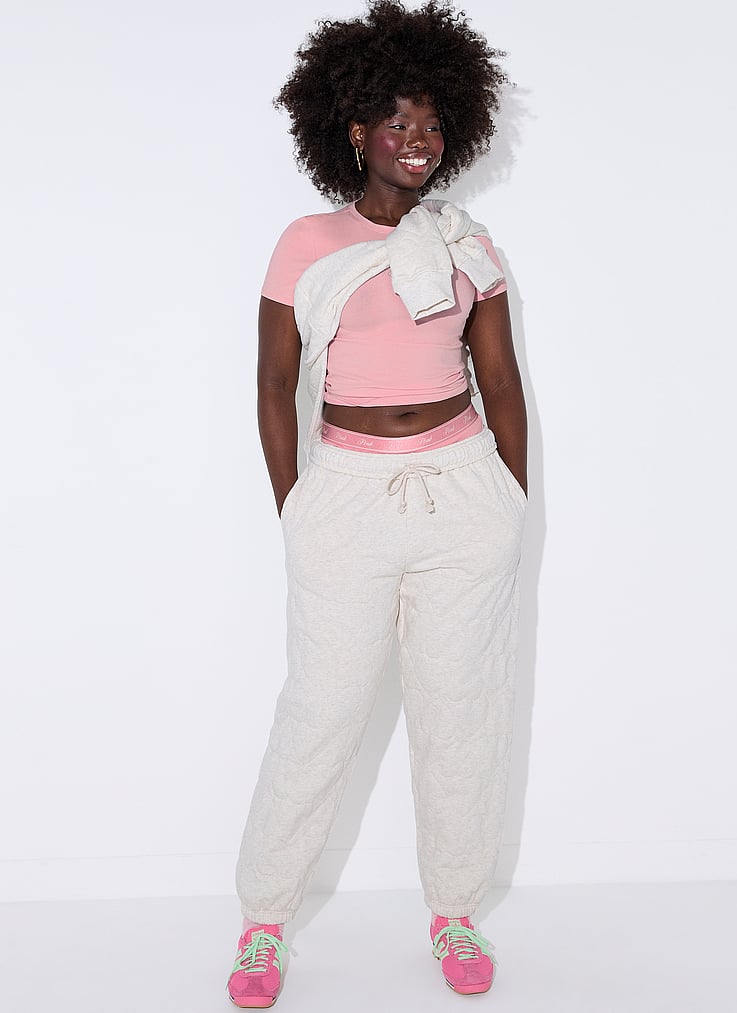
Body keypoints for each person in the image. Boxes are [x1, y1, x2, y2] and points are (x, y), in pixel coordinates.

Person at [227, 0, 527, 1006]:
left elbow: (501, 381)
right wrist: (297, 507)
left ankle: (455, 910)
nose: (417, 140)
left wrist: (508, 500)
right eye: (398, 122)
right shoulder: (307, 241)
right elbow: (274, 383)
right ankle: (264, 920)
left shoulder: (467, 244)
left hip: (462, 494)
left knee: (461, 712)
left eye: (433, 124)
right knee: (321, 710)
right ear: (355, 130)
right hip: (346, 497)